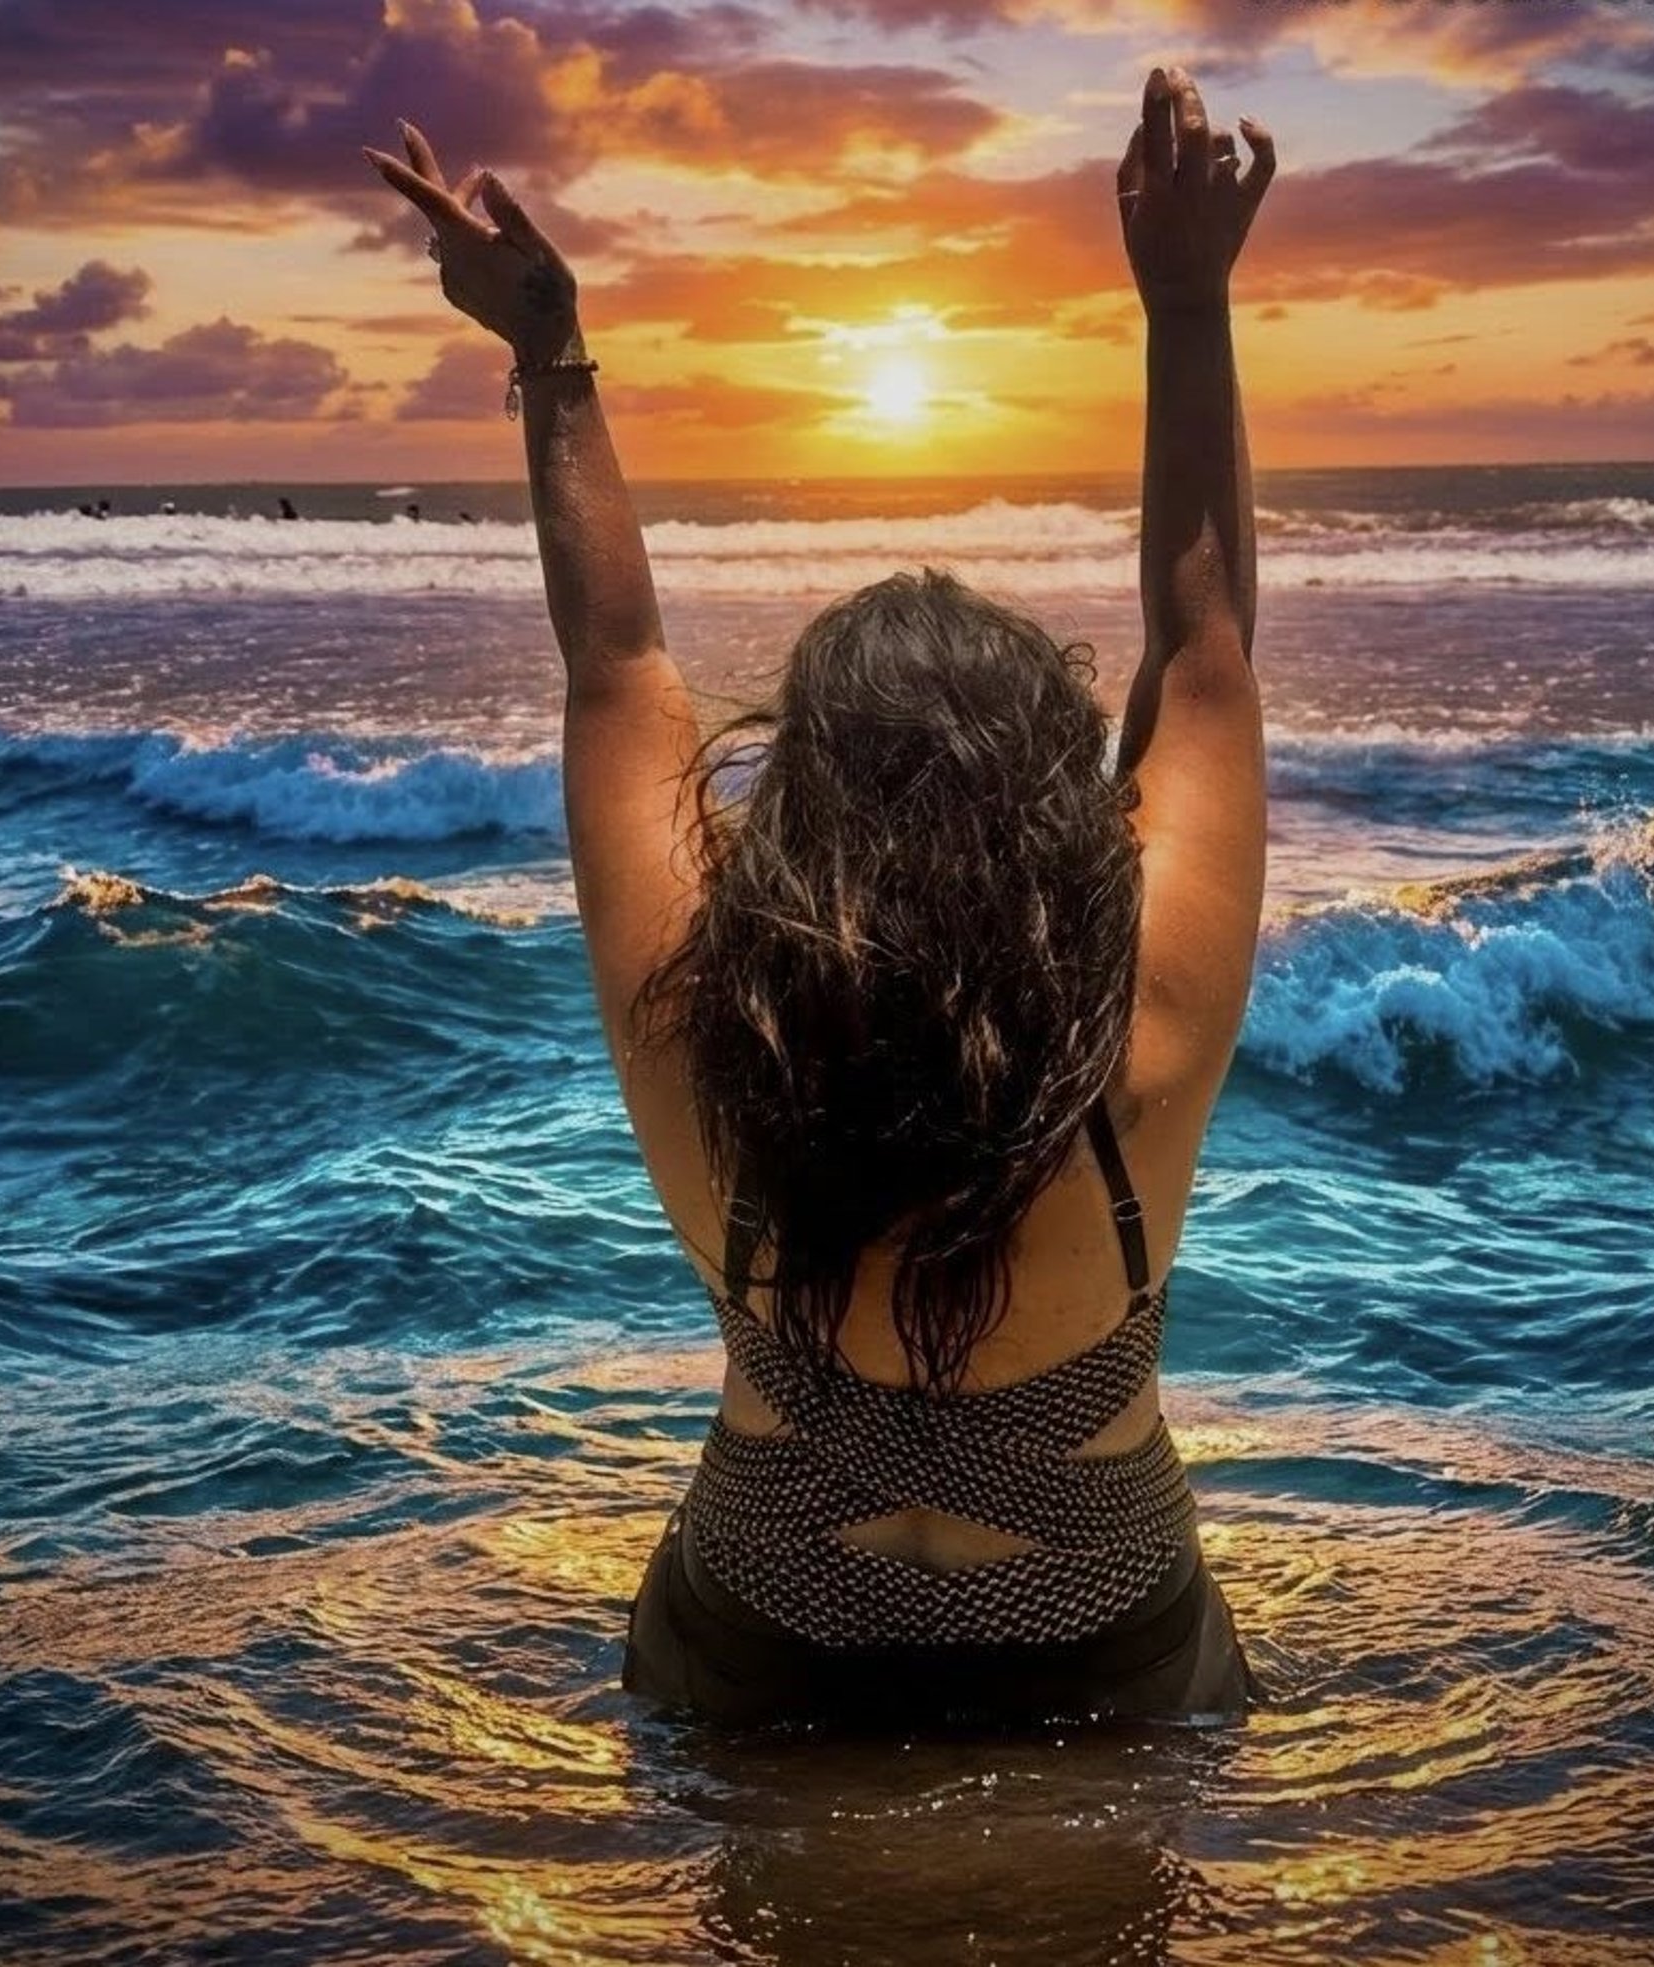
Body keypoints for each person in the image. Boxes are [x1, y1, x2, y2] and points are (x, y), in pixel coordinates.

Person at [365, 61, 1274, 1729]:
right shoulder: (1130, 1064)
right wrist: (1188, 303)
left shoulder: (707, 1050)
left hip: (761, 1653)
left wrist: (550, 352)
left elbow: (618, 666)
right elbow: (1204, 647)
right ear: (1056, 824)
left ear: (803, 816)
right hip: (1107, 1662)